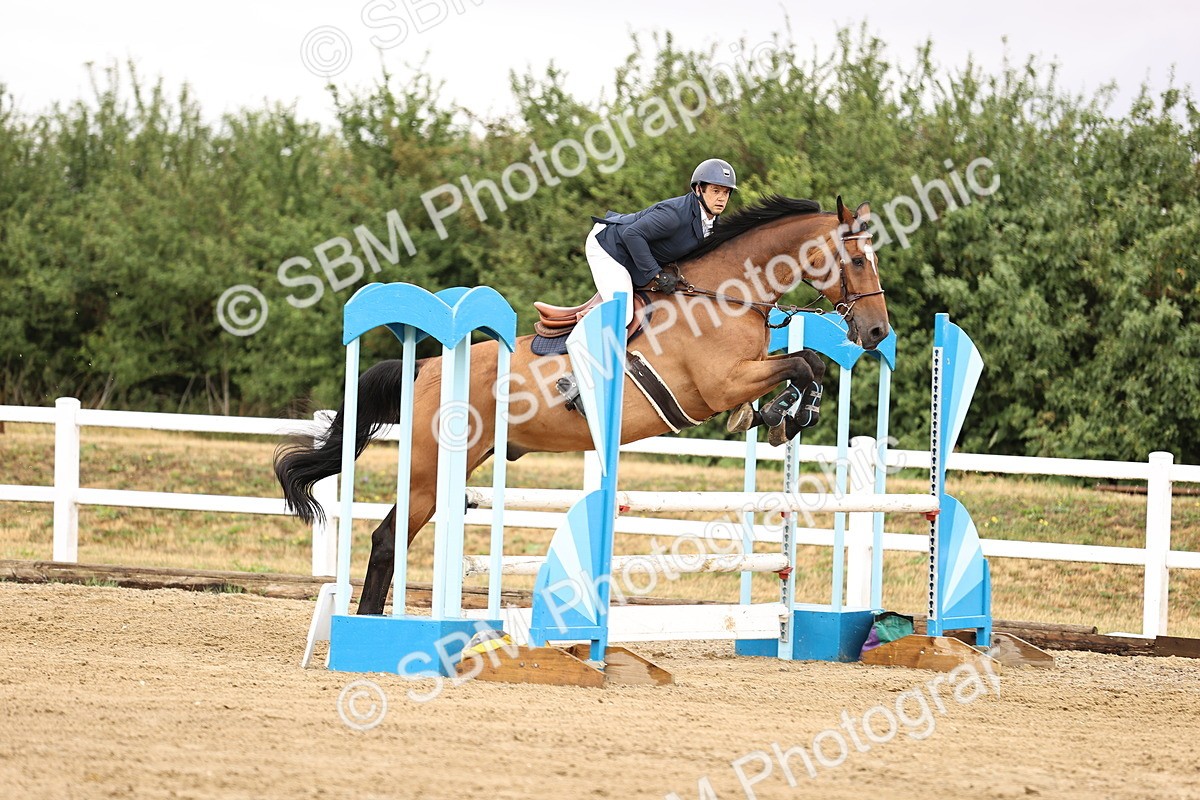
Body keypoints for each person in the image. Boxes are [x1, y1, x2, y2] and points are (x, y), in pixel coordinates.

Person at [585, 158, 737, 325]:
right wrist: (657, 275)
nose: (722, 198)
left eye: (726, 192)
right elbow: (632, 235)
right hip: (609, 247)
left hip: (634, 252)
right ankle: (585, 349)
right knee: (623, 315)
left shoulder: (713, 223)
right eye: (716, 191)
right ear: (699, 189)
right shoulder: (674, 214)